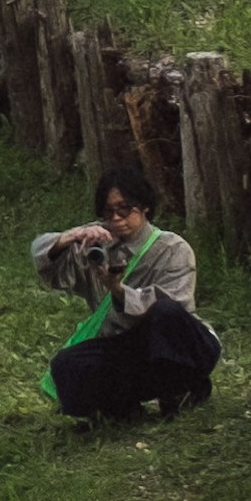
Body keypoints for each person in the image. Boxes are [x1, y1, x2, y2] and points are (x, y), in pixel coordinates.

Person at [34, 166, 216, 423]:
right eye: (109, 212)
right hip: (127, 346)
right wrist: (70, 237)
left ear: (144, 208)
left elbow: (175, 308)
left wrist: (117, 289)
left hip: (178, 344)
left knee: (165, 314)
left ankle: (184, 388)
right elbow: (42, 256)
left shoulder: (173, 248)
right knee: (67, 364)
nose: (117, 218)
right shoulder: (96, 243)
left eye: (125, 209)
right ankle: (120, 405)